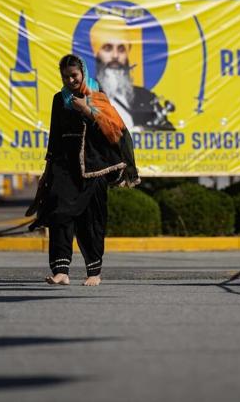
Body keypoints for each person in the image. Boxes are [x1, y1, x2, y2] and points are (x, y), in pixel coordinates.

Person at [27, 54, 139, 286]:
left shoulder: (97, 97)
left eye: (74, 75)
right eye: (65, 76)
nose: (70, 80)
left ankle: (94, 273)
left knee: (91, 221)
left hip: (93, 169)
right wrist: (48, 169)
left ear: (83, 73)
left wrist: (87, 111)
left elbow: (114, 133)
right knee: (59, 216)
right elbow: (55, 136)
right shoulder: (59, 100)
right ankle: (61, 271)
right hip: (64, 169)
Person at [91, 15, 175, 130]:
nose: (115, 56)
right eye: (108, 48)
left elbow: (170, 134)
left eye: (121, 49)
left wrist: (144, 131)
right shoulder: (82, 96)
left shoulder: (146, 98)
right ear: (97, 53)